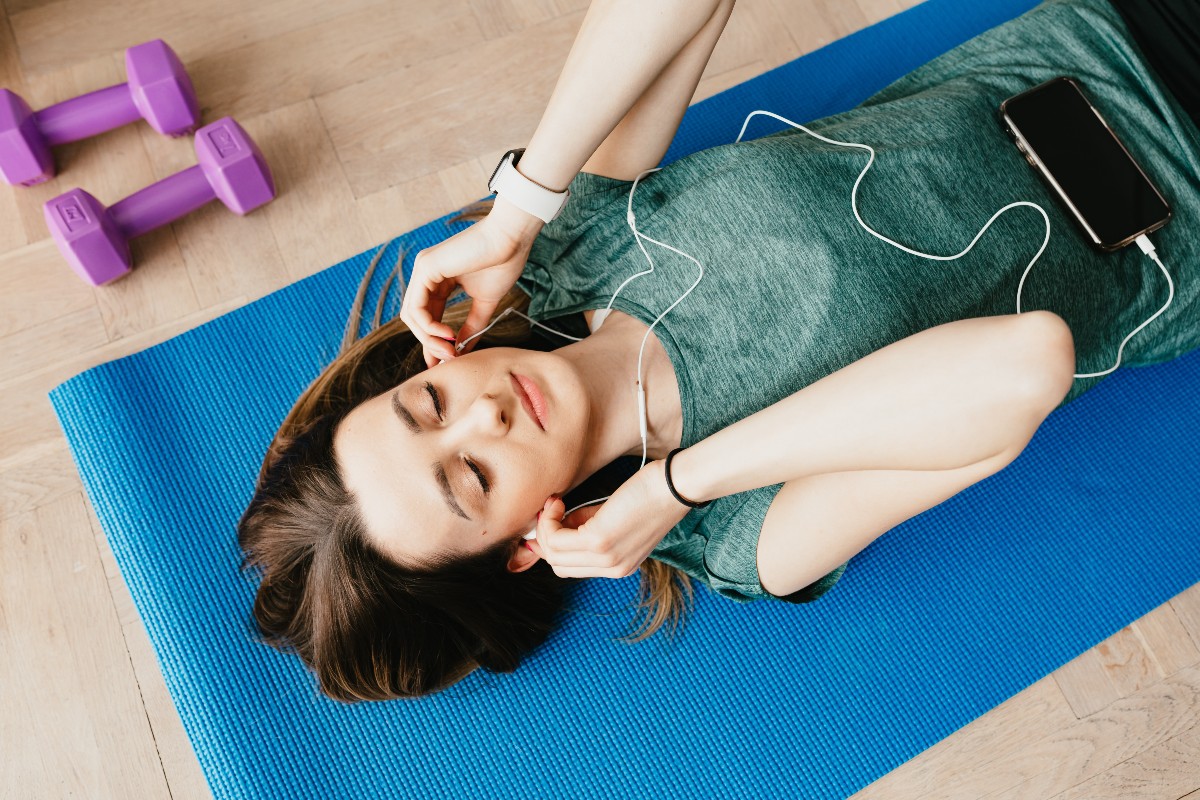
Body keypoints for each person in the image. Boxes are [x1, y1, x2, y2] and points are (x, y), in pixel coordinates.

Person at [237, 0, 1200, 702]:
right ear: (527, 546)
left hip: (1110, 28)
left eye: (430, 407)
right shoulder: (741, 535)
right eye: (473, 479)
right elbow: (1027, 361)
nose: (483, 415)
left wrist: (523, 204)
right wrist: (673, 487)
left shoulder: (574, 253)